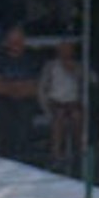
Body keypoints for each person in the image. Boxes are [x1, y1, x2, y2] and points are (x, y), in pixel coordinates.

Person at [0, 25, 42, 161]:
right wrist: (17, 86)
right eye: (12, 41)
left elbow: (34, 87)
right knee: (4, 113)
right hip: (3, 99)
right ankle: (4, 156)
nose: (15, 44)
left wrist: (11, 86)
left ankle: (23, 156)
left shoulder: (33, 57)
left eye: (18, 41)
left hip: (26, 99)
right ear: (6, 42)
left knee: (25, 114)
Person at [38, 39, 87, 171]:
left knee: (77, 116)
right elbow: (42, 88)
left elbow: (92, 80)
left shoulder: (78, 66)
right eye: (63, 49)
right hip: (55, 101)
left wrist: (76, 71)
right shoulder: (51, 66)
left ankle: (80, 151)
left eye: (68, 49)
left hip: (73, 102)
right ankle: (56, 154)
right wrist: (46, 106)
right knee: (59, 116)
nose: (65, 52)